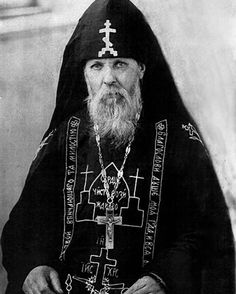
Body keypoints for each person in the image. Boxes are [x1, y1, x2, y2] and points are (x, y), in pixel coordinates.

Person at [1, 0, 235, 293]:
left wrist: (164, 278)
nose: (109, 78)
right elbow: (26, 222)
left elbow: (207, 233)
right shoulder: (66, 136)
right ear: (84, 74)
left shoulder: (179, 141)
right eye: (97, 66)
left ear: (141, 69)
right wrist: (34, 265)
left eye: (120, 64)